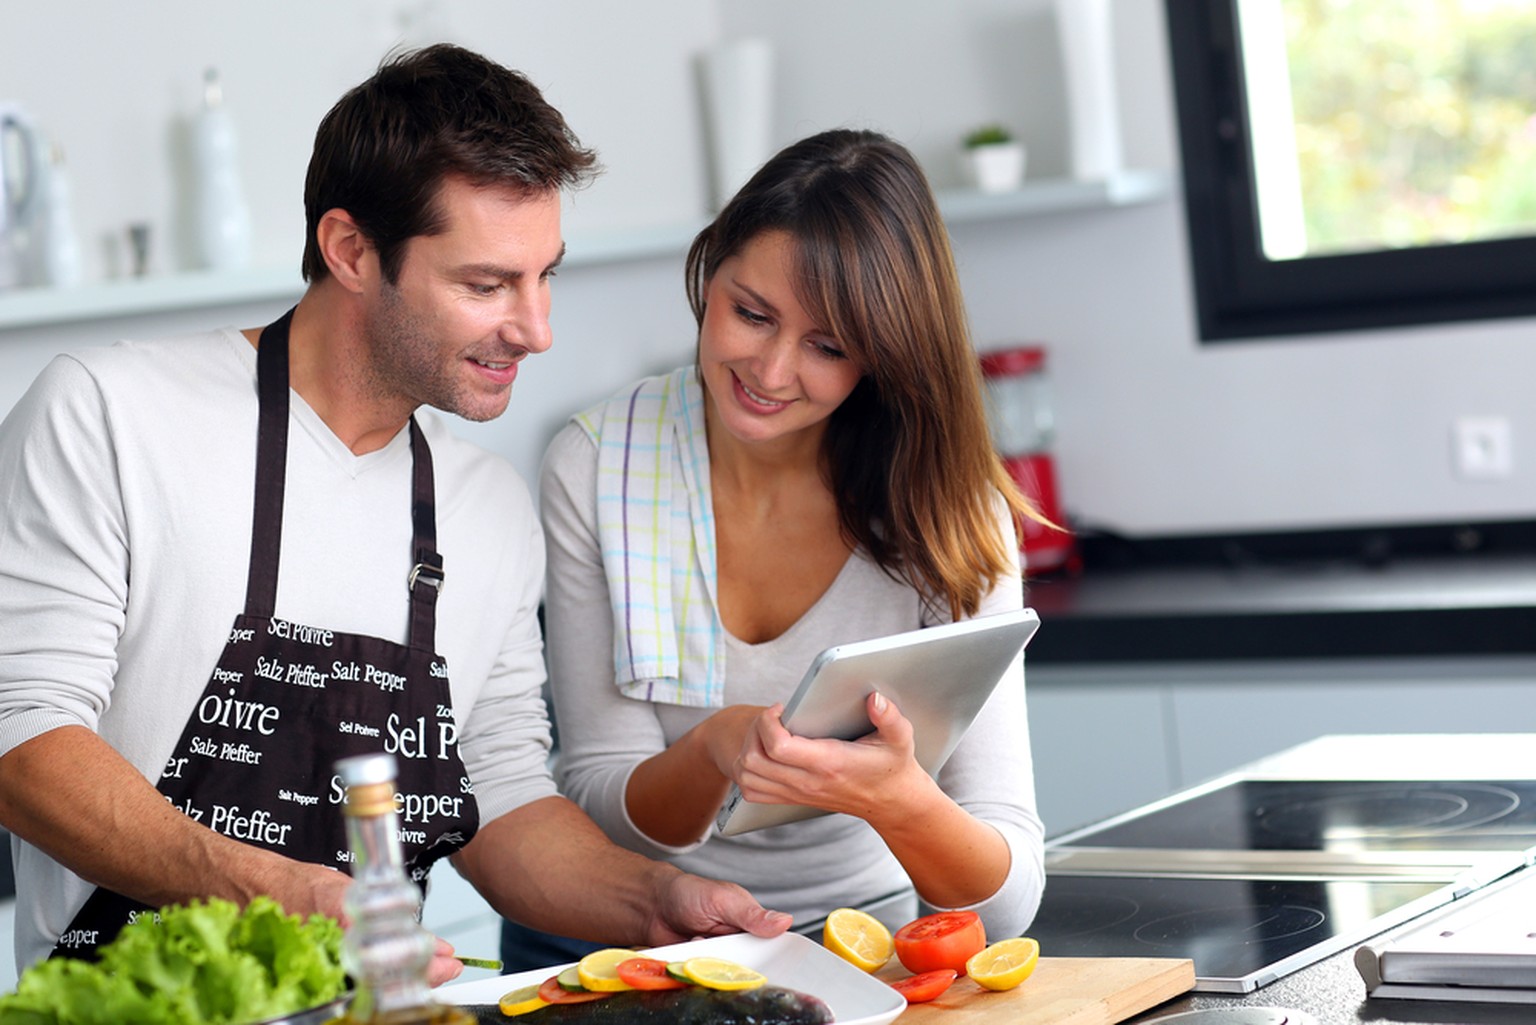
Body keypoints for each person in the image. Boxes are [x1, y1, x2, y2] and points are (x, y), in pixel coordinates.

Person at [0, 43, 790, 981]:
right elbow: (21, 735)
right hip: (131, 1004)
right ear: (350, 250)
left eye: (547, 276)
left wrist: (649, 898)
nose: (536, 329)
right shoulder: (111, 413)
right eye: (487, 284)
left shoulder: (486, 508)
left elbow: (497, 797)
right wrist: (276, 893)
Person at [505, 128, 1046, 968]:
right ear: (709, 272)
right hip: (633, 942)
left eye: (828, 346)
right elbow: (599, 795)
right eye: (750, 313)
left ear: (883, 355)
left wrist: (902, 799)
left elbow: (1005, 904)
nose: (771, 368)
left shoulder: (947, 504)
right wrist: (718, 745)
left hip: (860, 945)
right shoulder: (596, 463)